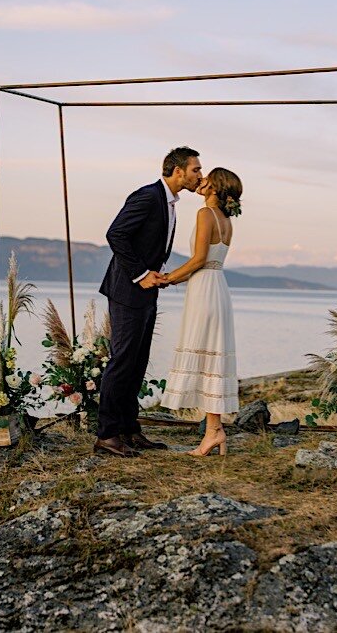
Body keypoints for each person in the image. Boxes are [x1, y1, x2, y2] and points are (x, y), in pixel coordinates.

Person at [94, 146, 202, 457]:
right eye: (195, 169)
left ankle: (129, 429)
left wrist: (157, 273)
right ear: (178, 171)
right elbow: (116, 235)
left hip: (146, 290)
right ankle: (107, 435)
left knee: (138, 361)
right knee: (122, 361)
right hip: (128, 290)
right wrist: (141, 274)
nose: (200, 175)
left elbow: (149, 243)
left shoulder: (169, 202)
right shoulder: (147, 195)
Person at [159, 167, 244, 456]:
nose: (201, 179)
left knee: (206, 358)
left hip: (204, 289)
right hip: (218, 287)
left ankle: (213, 432)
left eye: (207, 177)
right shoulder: (227, 220)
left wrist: (167, 278)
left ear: (215, 187)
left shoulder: (205, 215)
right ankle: (214, 431)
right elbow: (207, 262)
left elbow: (198, 260)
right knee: (212, 362)